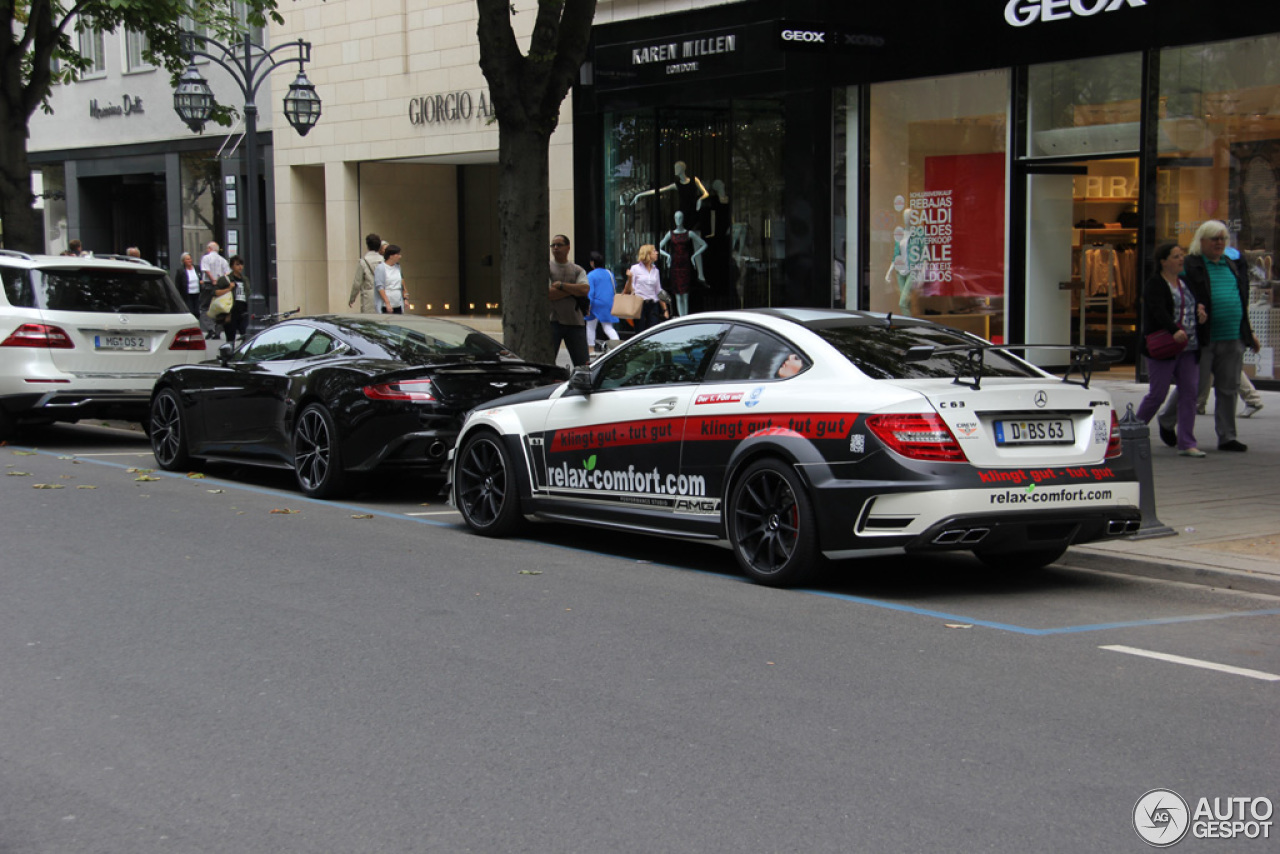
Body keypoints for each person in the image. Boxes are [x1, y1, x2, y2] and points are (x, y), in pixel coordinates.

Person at [1157, 220, 1261, 452]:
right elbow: (1172, 292)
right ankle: (1167, 419)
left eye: (1223, 238)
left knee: (1229, 387)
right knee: (1194, 385)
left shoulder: (1231, 265)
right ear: (1201, 241)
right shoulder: (1190, 265)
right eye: (1214, 238)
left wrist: (1249, 332)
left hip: (1233, 336)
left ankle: (1227, 437)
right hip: (1203, 337)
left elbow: (1241, 301)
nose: (1219, 243)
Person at [1137, 243, 1206, 457]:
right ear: (1163, 261)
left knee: (1189, 393)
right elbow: (1157, 311)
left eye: (1181, 255)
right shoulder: (1154, 284)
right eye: (1176, 256)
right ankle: (1130, 431)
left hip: (1189, 345)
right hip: (1165, 346)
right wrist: (1173, 329)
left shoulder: (1184, 283)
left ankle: (1187, 442)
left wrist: (1201, 310)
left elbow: (1194, 304)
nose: (1181, 259)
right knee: (1157, 394)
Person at [548, 235, 590, 367]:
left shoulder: (577, 270)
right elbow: (549, 294)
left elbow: (584, 289)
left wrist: (561, 285)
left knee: (583, 365)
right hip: (552, 321)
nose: (555, 248)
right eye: (553, 245)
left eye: (559, 245)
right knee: (547, 363)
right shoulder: (546, 268)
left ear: (568, 247)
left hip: (575, 322)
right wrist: (573, 289)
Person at [631, 161, 709, 232]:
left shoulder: (694, 180)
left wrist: (700, 199)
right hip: (683, 213)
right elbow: (658, 190)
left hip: (695, 211)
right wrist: (639, 195)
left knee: (695, 233)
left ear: (682, 169)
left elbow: (706, 193)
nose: (675, 169)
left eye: (677, 168)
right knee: (684, 234)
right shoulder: (677, 185)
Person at [658, 210, 708, 318]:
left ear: (683, 219)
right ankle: (681, 317)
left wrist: (694, 256)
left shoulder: (689, 233)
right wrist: (668, 256)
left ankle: (685, 317)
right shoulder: (671, 234)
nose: (678, 221)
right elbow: (658, 247)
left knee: (685, 294)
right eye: (676, 218)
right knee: (677, 294)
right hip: (675, 265)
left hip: (685, 265)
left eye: (680, 218)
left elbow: (704, 244)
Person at [624, 244, 665, 333]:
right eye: (654, 251)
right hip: (640, 304)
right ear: (648, 254)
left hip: (653, 304)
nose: (657, 253)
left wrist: (665, 309)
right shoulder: (635, 268)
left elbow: (658, 290)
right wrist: (630, 278)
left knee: (653, 331)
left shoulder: (656, 270)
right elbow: (628, 289)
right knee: (640, 331)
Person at [585, 251, 620, 353]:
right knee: (608, 327)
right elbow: (615, 287)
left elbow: (590, 293)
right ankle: (617, 346)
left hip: (596, 304)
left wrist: (588, 306)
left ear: (592, 263)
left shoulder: (591, 275)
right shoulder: (610, 273)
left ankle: (591, 350)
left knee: (590, 326)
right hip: (609, 303)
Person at [213, 255, 251, 349]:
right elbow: (216, 292)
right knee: (230, 338)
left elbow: (248, 292)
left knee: (246, 336)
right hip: (231, 311)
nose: (240, 267)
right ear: (232, 266)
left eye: (241, 264)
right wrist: (229, 288)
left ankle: (241, 354)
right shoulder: (225, 279)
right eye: (237, 264)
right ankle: (229, 355)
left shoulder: (245, 279)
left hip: (243, 311)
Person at [200, 242, 231, 340]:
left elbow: (206, 270)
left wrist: (213, 280)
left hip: (209, 284)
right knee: (219, 308)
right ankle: (217, 331)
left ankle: (210, 328)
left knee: (204, 307)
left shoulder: (206, 258)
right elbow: (227, 273)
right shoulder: (223, 260)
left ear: (209, 248)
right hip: (220, 286)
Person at [348, 233, 382, 313]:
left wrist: (352, 298)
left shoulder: (363, 262)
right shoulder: (384, 261)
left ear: (367, 246)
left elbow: (357, 282)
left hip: (368, 296)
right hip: (383, 295)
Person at [375, 244, 405, 314]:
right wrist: (387, 303)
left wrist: (405, 297)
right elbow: (380, 287)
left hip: (398, 303)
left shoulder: (398, 267)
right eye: (397, 254)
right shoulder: (381, 268)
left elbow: (401, 282)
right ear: (391, 256)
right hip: (386, 305)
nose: (400, 256)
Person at [173, 252, 202, 319]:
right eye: (187, 259)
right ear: (183, 261)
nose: (189, 261)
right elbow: (178, 284)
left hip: (197, 293)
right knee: (190, 310)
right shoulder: (180, 271)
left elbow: (200, 277)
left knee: (197, 311)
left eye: (190, 259)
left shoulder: (197, 268)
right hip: (187, 294)